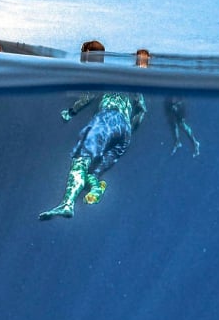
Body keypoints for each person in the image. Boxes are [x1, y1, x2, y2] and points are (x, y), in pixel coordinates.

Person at [39, 41, 147, 220]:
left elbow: (88, 96)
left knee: (80, 162)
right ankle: (96, 187)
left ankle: (67, 204)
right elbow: (142, 109)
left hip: (107, 120)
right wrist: (128, 130)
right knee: (93, 171)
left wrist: (70, 112)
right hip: (126, 131)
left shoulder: (105, 74)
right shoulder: (131, 80)